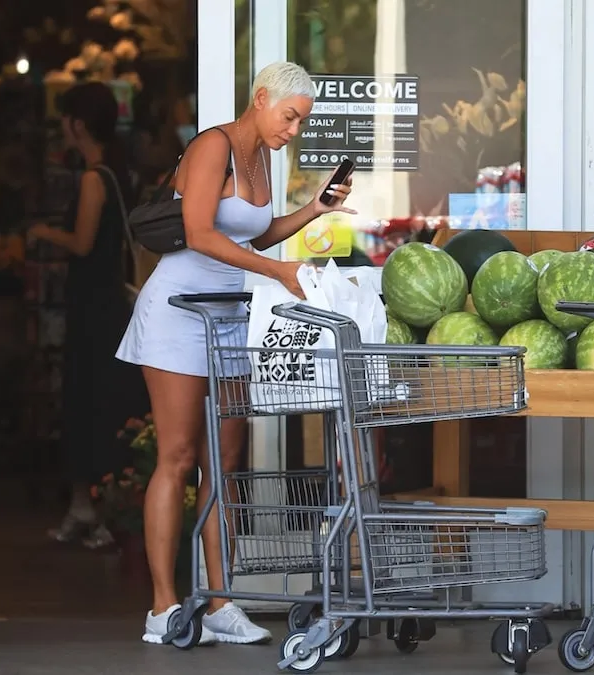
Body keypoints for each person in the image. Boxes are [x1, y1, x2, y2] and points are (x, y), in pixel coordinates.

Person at [114, 61, 355, 646]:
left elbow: (254, 232)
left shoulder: (262, 157)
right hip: (177, 312)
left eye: (302, 122)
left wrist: (314, 210)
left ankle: (221, 602)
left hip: (227, 318)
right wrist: (276, 272)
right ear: (262, 97)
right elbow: (198, 233)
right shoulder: (210, 146)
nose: (294, 130)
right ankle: (163, 607)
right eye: (290, 116)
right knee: (175, 456)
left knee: (223, 461)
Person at [28, 82, 145, 550]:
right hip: (104, 304)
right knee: (99, 402)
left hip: (95, 307)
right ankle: (89, 507)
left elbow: (81, 242)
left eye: (66, 120)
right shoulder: (117, 173)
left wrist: (42, 231)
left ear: (77, 124)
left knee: (89, 402)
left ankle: (94, 510)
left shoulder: (95, 178)